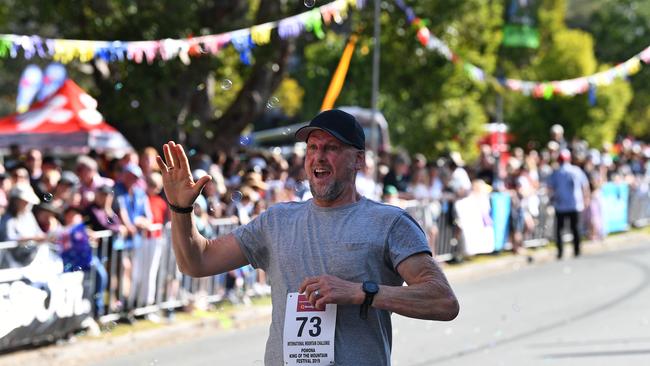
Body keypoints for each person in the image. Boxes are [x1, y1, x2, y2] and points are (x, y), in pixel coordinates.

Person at [157, 109, 459, 365]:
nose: (319, 157)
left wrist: (361, 292)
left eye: (331, 148)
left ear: (358, 160)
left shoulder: (389, 223)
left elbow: (443, 300)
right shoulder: (277, 221)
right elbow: (197, 262)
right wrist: (180, 209)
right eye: (312, 148)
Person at [547, 149, 590, 259]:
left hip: (561, 204)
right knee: (575, 228)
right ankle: (577, 250)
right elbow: (585, 185)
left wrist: (552, 199)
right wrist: (586, 199)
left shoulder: (556, 172)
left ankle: (560, 252)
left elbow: (550, 187)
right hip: (575, 204)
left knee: (560, 230)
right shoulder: (576, 170)